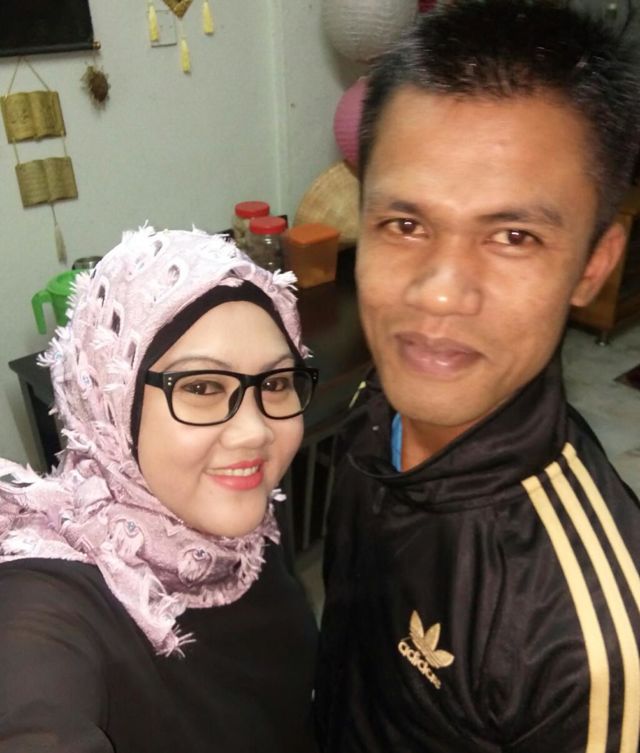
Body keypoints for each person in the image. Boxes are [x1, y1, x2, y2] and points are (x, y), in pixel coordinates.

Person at [315, 1, 640, 750]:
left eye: (513, 235)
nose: (439, 294)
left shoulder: (589, 646)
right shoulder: (372, 406)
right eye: (404, 224)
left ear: (593, 265)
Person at [0, 226, 319, 753]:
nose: (256, 432)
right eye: (201, 387)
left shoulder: (250, 515)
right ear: (110, 403)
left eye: (277, 382)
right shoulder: (50, 599)